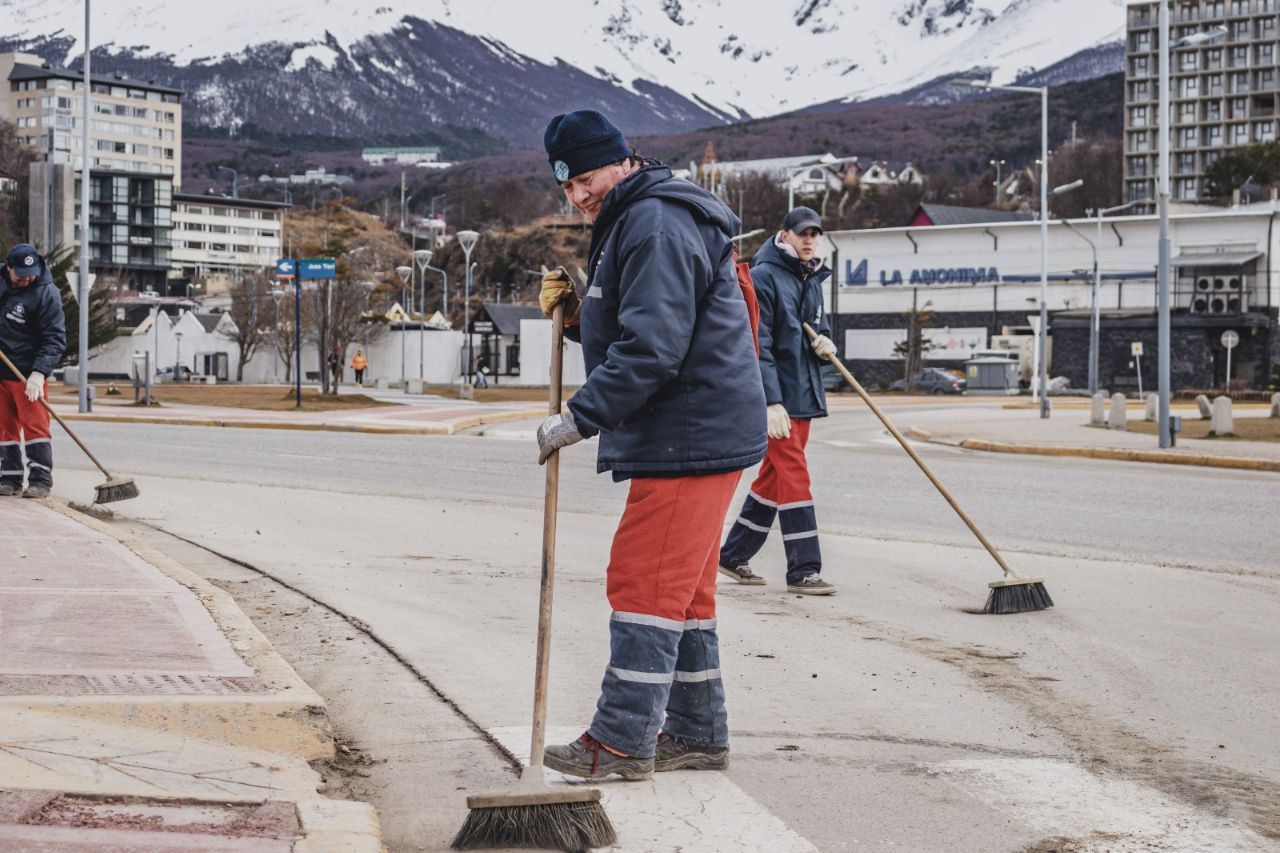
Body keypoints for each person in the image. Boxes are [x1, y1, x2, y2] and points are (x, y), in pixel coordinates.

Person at [535, 109, 766, 780]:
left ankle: (621, 741)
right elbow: (648, 323)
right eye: (566, 187)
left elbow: (654, 348)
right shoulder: (638, 215)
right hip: (693, 428)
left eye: (585, 178)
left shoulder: (654, 222)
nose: (578, 196)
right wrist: (580, 318)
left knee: (642, 580)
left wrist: (580, 416)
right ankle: (696, 732)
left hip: (690, 432)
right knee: (684, 591)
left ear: (622, 158)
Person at [717, 207, 838, 595]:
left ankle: (732, 554)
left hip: (803, 396)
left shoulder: (812, 278)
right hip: (778, 402)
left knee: (773, 479)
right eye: (802, 233)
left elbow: (815, 326)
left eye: (815, 234)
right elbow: (759, 344)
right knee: (794, 476)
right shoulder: (764, 277)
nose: (809, 240)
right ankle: (804, 569)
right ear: (783, 235)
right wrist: (769, 401)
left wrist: (823, 342)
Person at [0, 244, 66, 499]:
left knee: (35, 426)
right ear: (9, 268)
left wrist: (39, 373)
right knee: (4, 428)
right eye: (22, 274)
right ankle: (9, 477)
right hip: (1, 371)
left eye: (31, 272)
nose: (28, 278)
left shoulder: (47, 293)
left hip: (27, 373)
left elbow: (54, 338)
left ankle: (40, 479)